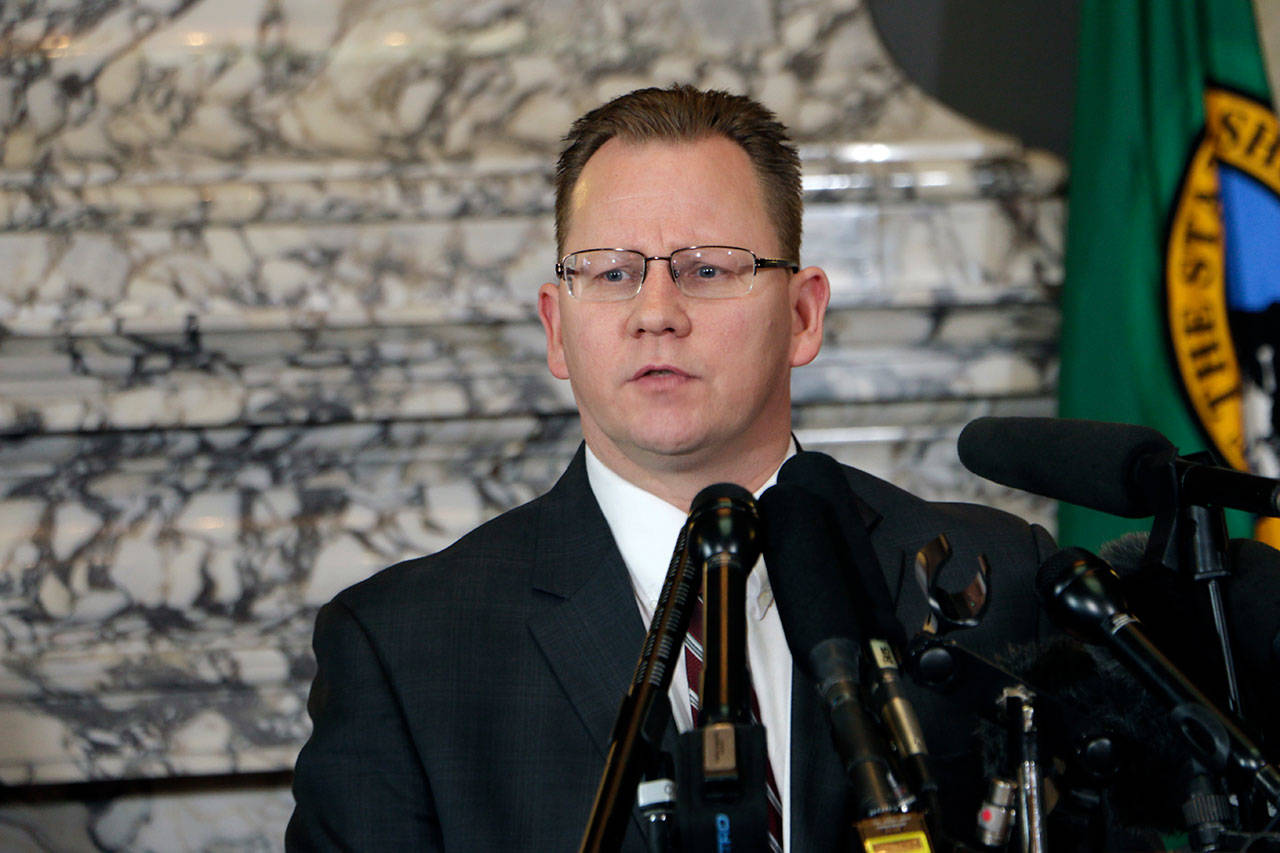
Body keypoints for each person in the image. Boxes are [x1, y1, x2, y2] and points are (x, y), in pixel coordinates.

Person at [286, 85, 1055, 851]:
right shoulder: (407, 650)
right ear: (557, 329)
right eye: (613, 273)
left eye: (708, 269)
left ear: (803, 315)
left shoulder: (1001, 585)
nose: (655, 311)